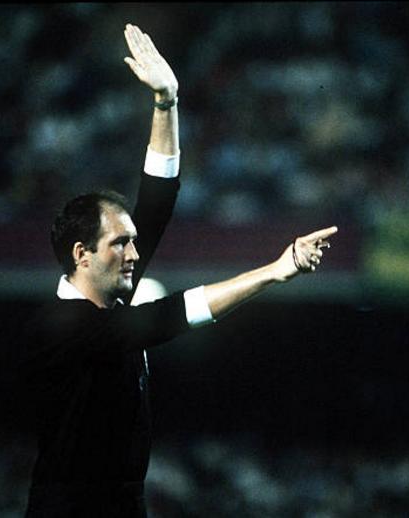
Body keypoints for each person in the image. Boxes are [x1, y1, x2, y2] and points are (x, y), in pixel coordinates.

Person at [19, 24, 337, 517]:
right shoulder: (63, 325)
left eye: (132, 241)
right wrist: (274, 272)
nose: (133, 253)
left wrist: (165, 102)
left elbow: (158, 200)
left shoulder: (112, 295)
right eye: (119, 243)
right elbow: (170, 316)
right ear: (82, 254)